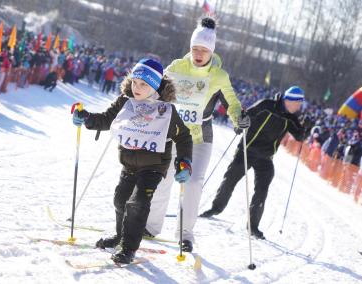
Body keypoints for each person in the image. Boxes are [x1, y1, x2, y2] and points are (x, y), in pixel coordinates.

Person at [72, 58, 193, 264]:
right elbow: (106, 118)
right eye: (135, 82)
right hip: (129, 163)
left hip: (154, 166)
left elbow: (184, 137)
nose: (137, 87)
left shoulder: (166, 111)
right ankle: (120, 236)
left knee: (138, 203)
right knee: (120, 199)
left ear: (154, 85)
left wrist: (184, 162)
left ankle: (128, 248)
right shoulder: (125, 101)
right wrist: (86, 118)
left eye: (143, 84)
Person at [144, 17, 246, 252]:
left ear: (212, 51)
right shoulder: (178, 67)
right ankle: (150, 226)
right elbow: (156, 89)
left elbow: (232, 103)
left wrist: (239, 118)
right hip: (174, 132)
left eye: (204, 50)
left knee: (193, 183)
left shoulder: (218, 76)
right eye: (195, 49)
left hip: (201, 135)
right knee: (163, 177)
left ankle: (185, 235)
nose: (198, 54)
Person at [200, 86, 312, 240]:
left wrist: (307, 127)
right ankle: (216, 208)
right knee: (230, 179)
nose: (299, 107)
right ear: (289, 100)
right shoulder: (267, 105)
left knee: (261, 190)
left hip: (266, 157)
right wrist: (241, 124)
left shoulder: (291, 118)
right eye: (298, 104)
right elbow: (247, 114)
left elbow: (300, 136)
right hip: (248, 149)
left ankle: (253, 226)